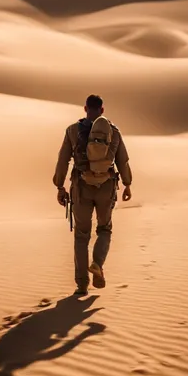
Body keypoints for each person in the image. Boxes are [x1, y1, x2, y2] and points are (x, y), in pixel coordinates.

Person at [53, 94, 132, 296]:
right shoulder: (113, 131)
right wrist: (127, 184)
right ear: (102, 110)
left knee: (81, 235)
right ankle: (97, 263)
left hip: (81, 187)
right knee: (104, 228)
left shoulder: (72, 131)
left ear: (85, 108)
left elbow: (63, 161)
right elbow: (122, 161)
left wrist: (60, 187)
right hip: (107, 186)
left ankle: (81, 285)